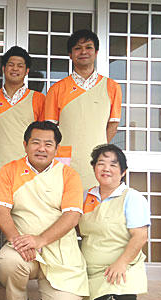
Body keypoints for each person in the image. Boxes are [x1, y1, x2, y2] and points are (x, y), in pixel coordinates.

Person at [0, 121, 89, 300]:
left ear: (56, 149)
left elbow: (72, 216)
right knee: (7, 261)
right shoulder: (10, 170)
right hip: (23, 248)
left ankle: (52, 295)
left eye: (48, 144)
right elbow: (1, 210)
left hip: (60, 252)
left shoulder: (69, 175)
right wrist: (17, 240)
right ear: (25, 144)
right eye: (36, 143)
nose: (41, 149)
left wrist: (40, 240)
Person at [0, 46, 45, 283]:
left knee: (19, 216)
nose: (15, 69)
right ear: (3, 69)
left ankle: (13, 269)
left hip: (26, 170)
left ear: (26, 70)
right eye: (10, 65)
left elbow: (43, 136)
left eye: (20, 65)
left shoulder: (38, 99)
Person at [79, 144, 149, 300]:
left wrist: (121, 263)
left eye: (113, 165)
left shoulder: (132, 197)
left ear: (123, 171)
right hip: (89, 267)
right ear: (94, 168)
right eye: (101, 163)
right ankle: (101, 296)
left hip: (122, 264)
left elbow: (140, 236)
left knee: (123, 287)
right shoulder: (86, 196)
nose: (106, 169)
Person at [44, 29, 122, 189]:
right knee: (65, 205)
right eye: (78, 48)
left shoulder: (111, 87)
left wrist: (98, 147)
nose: (83, 52)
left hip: (98, 160)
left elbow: (113, 125)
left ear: (96, 52)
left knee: (95, 204)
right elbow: (50, 131)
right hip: (65, 160)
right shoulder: (57, 89)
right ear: (70, 55)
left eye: (88, 47)